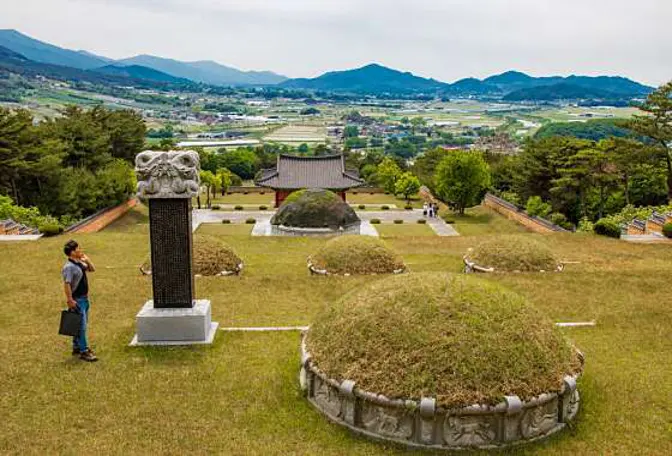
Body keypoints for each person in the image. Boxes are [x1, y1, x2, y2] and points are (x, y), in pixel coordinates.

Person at [62, 240, 98, 362]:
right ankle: (84, 351)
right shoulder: (69, 267)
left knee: (80, 324)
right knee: (81, 326)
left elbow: (92, 269)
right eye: (78, 249)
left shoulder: (80, 263)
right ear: (72, 252)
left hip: (84, 299)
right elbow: (67, 284)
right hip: (77, 300)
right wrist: (70, 300)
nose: (80, 250)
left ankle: (76, 346)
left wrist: (87, 260)